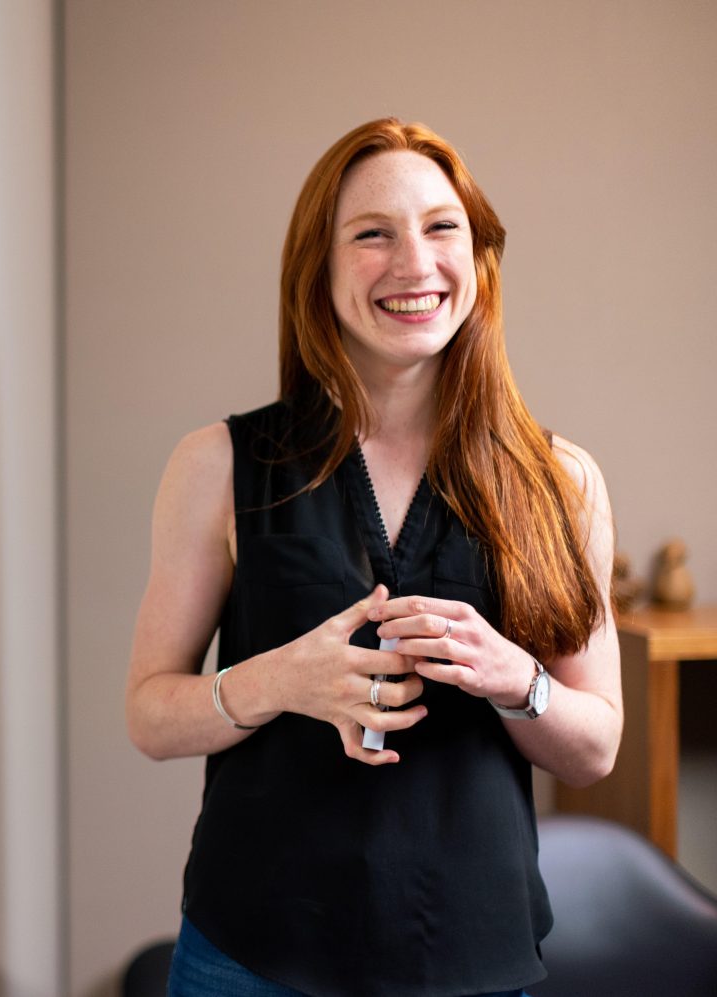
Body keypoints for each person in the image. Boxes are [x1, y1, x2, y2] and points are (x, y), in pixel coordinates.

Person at [125, 118, 622, 997]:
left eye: (441, 227)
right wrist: (278, 681)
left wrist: (516, 678)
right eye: (372, 235)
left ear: (479, 257)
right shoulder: (217, 465)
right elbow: (149, 715)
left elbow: (596, 748)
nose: (414, 263)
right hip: (251, 958)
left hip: (473, 960)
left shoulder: (562, 481)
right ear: (317, 268)